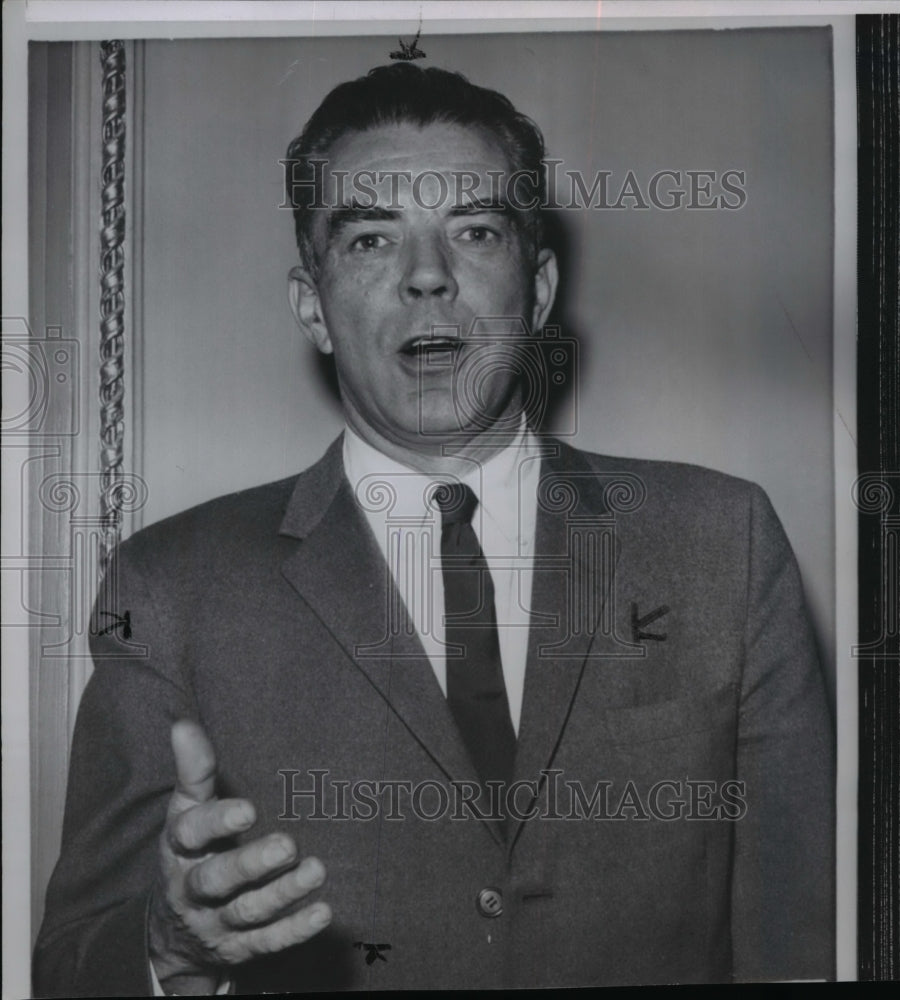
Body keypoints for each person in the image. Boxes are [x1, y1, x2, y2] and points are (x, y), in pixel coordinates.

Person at [33, 64, 834, 994]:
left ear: (536, 292)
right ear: (313, 308)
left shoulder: (721, 543)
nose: (427, 277)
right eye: (373, 239)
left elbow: (802, 942)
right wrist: (167, 947)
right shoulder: (169, 587)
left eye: (475, 230)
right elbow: (68, 968)